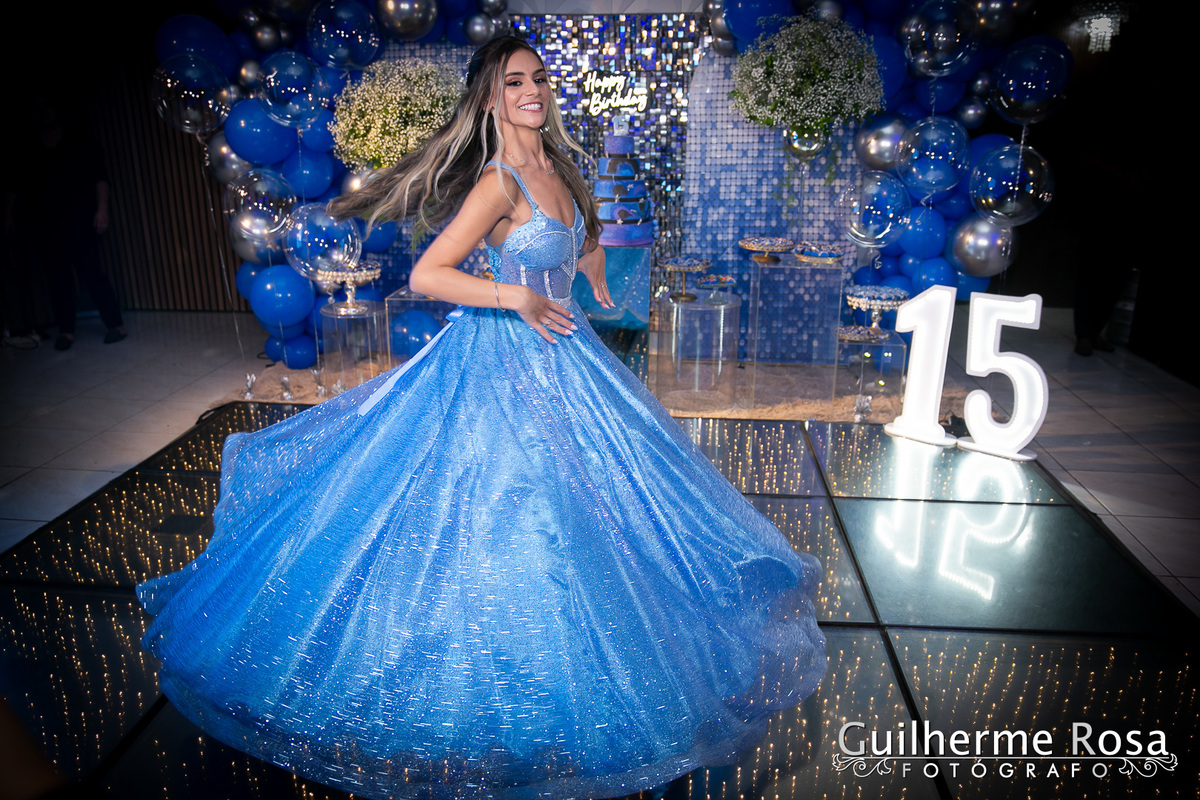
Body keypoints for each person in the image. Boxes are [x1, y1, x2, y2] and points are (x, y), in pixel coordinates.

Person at [137, 38, 826, 800]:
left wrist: (590, 264)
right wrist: (516, 295)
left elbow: (573, 237)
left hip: (568, 356)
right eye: (513, 82)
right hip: (503, 361)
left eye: (538, 78)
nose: (531, 91)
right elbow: (431, 273)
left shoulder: (557, 166)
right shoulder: (498, 182)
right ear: (491, 99)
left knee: (602, 507)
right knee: (517, 510)